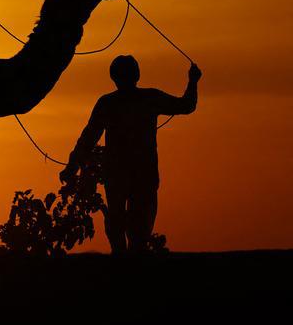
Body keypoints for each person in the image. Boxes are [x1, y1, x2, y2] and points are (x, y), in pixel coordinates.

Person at [61, 55, 201, 254]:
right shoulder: (149, 98)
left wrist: (71, 167)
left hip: (120, 174)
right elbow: (187, 105)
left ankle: (122, 264)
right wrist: (193, 81)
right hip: (142, 173)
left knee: (120, 224)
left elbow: (88, 138)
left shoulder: (108, 103)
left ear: (113, 77)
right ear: (137, 75)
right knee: (138, 229)